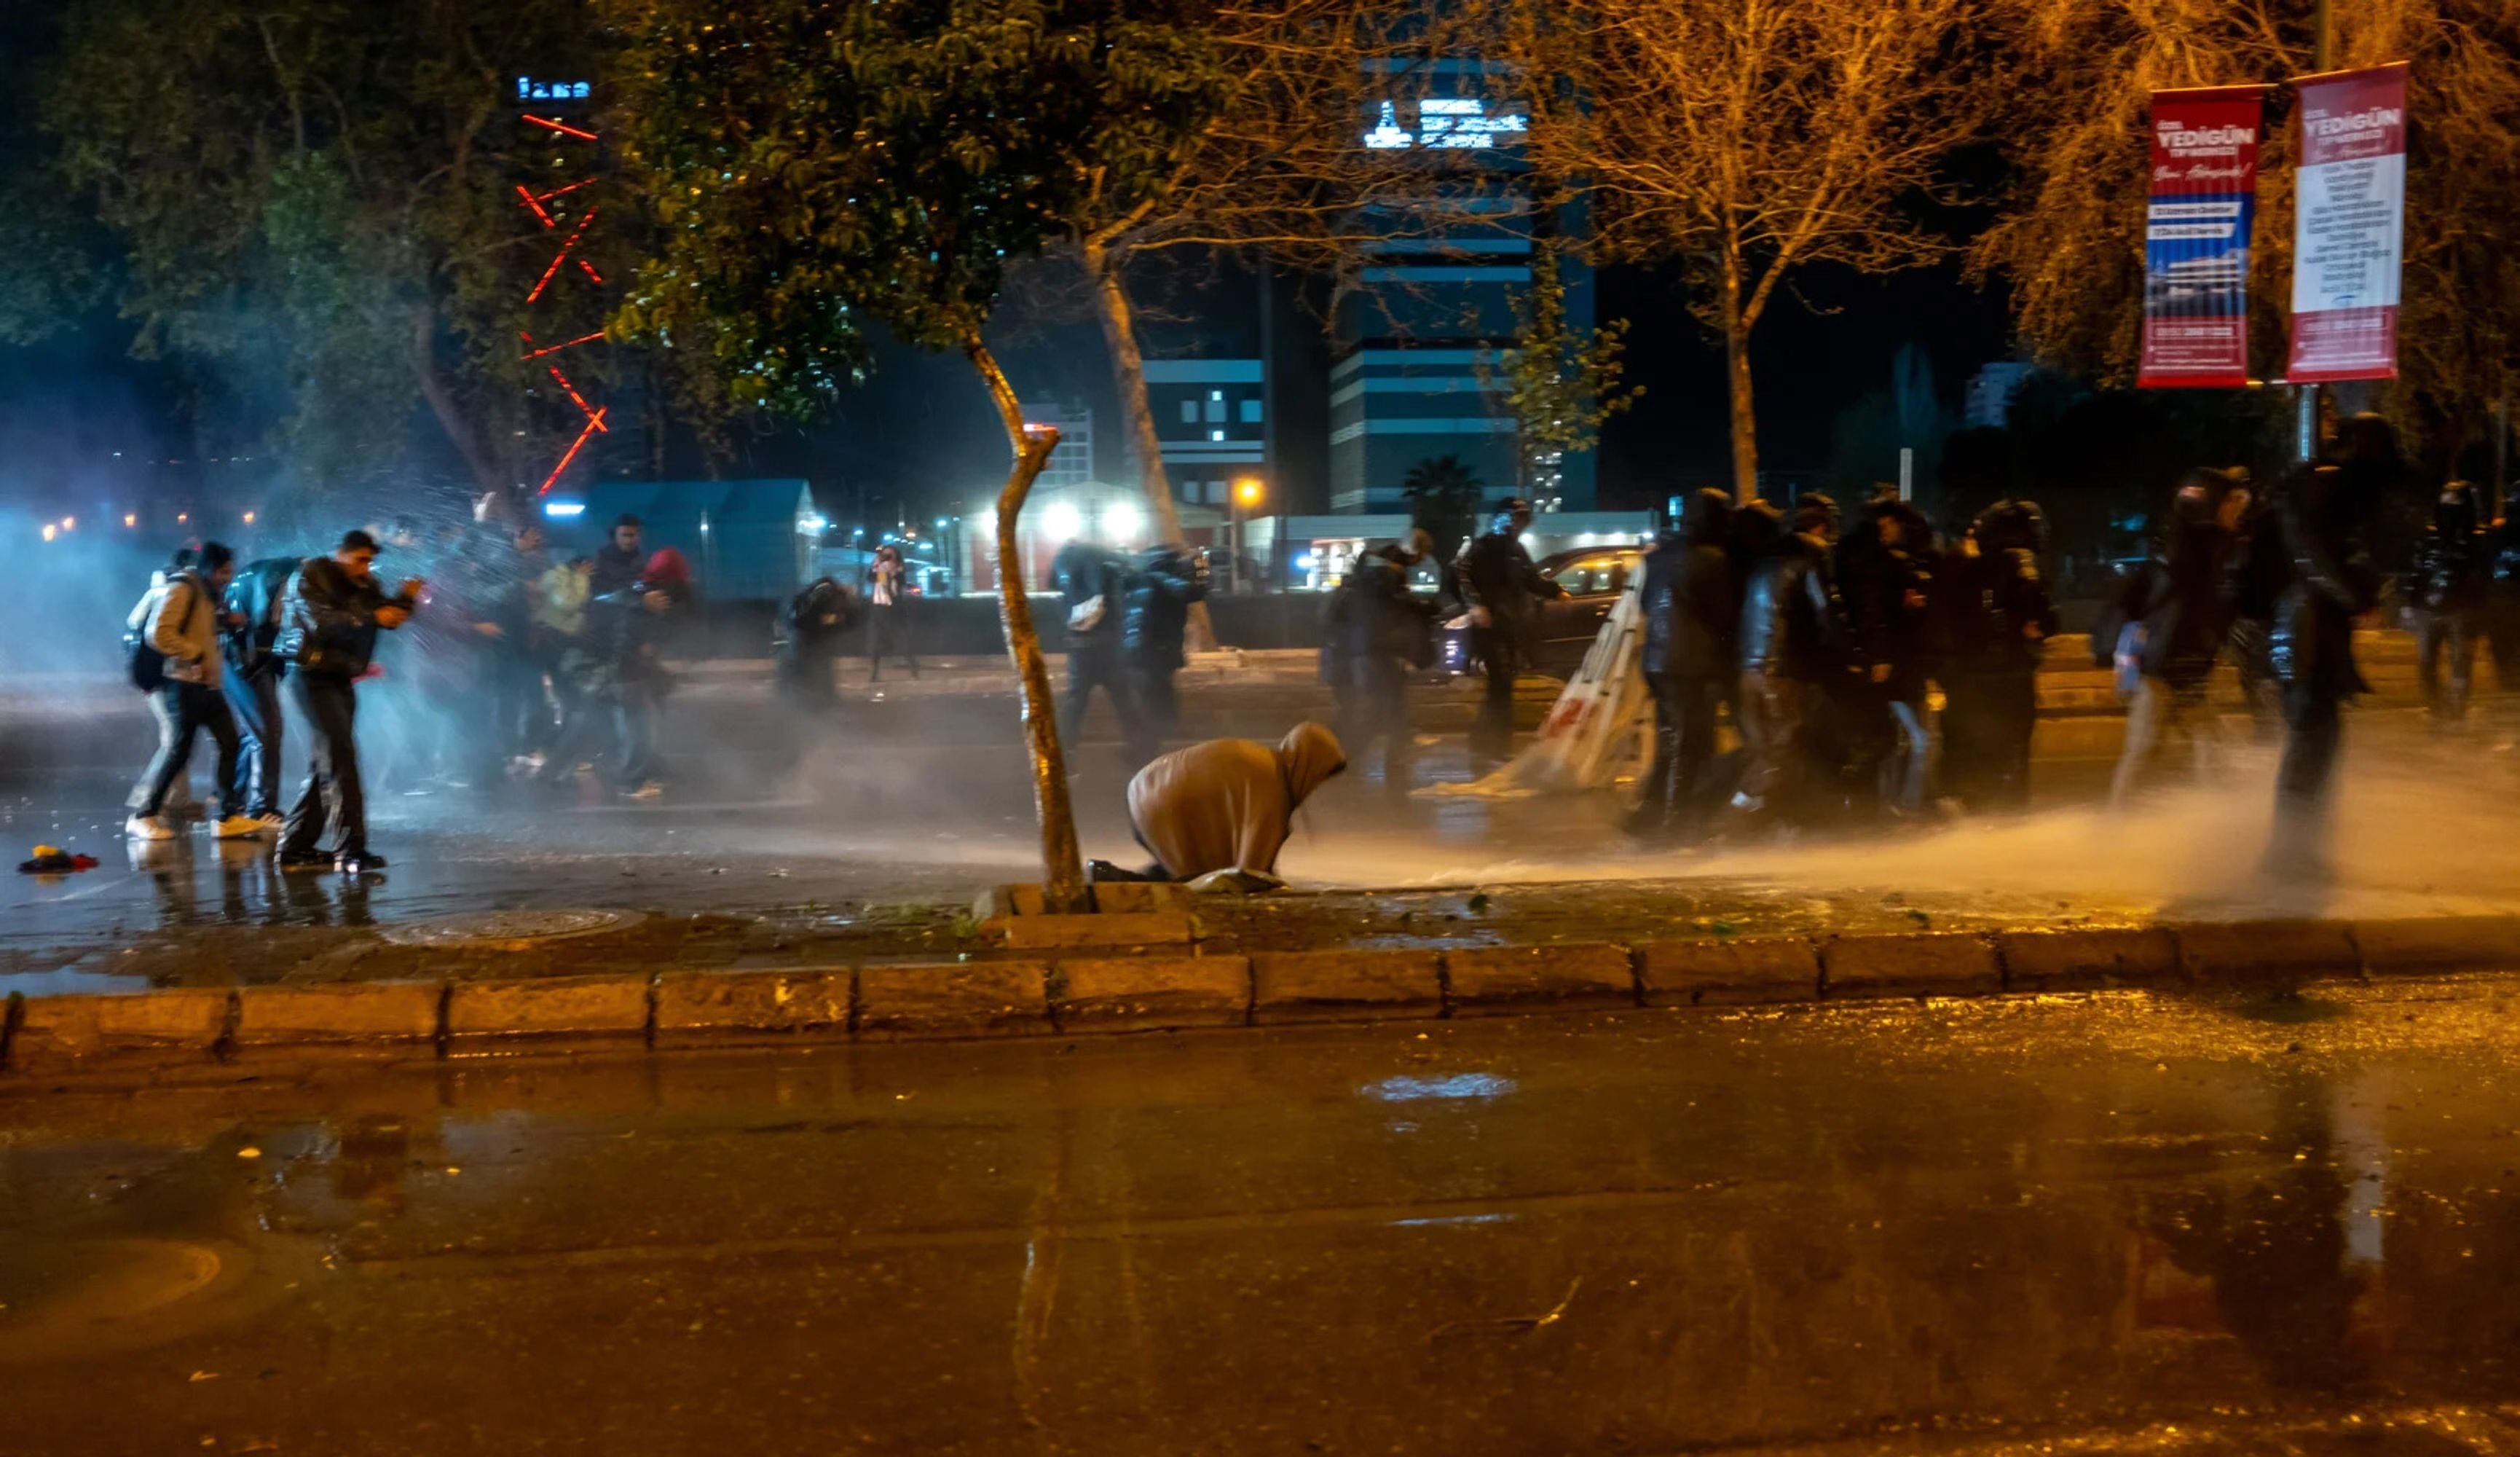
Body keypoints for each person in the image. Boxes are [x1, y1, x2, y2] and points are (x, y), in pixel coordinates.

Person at [2257, 414, 2398, 876]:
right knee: (2311, 740)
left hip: (2313, 627)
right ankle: (2288, 854)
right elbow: (2313, 554)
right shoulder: (2321, 484)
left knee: (2320, 741)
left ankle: (2302, 850)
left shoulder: (2321, 486)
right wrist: (2354, 596)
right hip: (2306, 630)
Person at [275, 530, 420, 873]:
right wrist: (374, 616)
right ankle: (351, 851)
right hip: (309, 677)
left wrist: (405, 600)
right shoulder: (313, 576)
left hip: (340, 677)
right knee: (340, 758)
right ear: (341, 554)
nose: (365, 567)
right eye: (360, 560)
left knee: (326, 763)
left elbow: (387, 619)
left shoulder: (365, 585)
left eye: (370, 561)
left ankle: (295, 847)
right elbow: (321, 621)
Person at [2106, 470, 2247, 806]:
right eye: (2231, 505)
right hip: (2162, 669)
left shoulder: (2209, 552)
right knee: (2144, 749)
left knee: (2208, 748)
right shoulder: (2191, 549)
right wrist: (2217, 487)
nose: (2237, 514)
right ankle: (2115, 827)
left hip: (2188, 669)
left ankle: (2209, 822)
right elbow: (2190, 528)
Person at [127, 542, 258, 842]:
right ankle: (143, 815)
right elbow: (158, 633)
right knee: (179, 752)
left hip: (207, 684)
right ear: (210, 568)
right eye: (224, 571)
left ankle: (228, 816)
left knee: (230, 742)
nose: (228, 577)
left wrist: (224, 623)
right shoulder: (184, 588)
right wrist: (194, 653)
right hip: (184, 683)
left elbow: (199, 625)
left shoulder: (205, 593)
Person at [1938, 500, 2057, 812]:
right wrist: (2038, 623)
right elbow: (2037, 607)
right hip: (2011, 670)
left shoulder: (1968, 565)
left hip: (1972, 672)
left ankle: (1976, 805)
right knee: (2014, 745)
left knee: (1981, 745)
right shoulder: (2021, 560)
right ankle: (2009, 811)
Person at [1631, 490, 1736, 838]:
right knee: (1687, 743)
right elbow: (1724, 617)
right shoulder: (1714, 558)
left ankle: (1650, 814)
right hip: (1690, 663)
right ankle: (1676, 823)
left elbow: (1646, 605)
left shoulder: (1659, 556)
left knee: (1669, 739)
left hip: (1658, 660)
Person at [1733, 498, 1843, 828]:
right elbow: (1826, 615)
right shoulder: (1808, 564)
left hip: (1750, 670)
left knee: (1765, 748)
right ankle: (1737, 814)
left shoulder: (1761, 566)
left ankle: (1772, 816)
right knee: (1782, 747)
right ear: (1819, 532)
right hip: (1781, 671)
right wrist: (1846, 656)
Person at [1125, 722, 1347, 882]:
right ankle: (1116, 880)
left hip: (1146, 797)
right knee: (1195, 885)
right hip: (1156, 805)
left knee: (1197, 876)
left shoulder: (1265, 764)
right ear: (1309, 763)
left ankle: (1119, 880)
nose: (1316, 785)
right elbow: (1251, 874)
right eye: (1319, 775)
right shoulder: (1270, 783)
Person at [1323, 530, 1437, 796]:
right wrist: (1423, 607)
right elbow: (1391, 608)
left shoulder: (1377, 565)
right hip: (1377, 650)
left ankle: (1373, 756)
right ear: (1415, 551)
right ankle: (1378, 759)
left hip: (1364, 648)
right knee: (1386, 709)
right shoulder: (1389, 570)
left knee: (1384, 709)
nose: (1420, 562)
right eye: (1421, 556)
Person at [1452, 497, 1565, 765]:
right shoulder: (1482, 546)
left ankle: (1484, 742)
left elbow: (1531, 579)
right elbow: (1459, 574)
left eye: (1524, 518)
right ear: (1503, 518)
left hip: (1510, 624)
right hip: (1489, 626)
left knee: (1502, 685)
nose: (1521, 523)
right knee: (1501, 682)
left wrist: (1556, 591)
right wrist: (1475, 605)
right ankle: (1494, 745)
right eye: (1516, 517)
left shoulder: (1516, 550)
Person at [220, 554, 302, 829]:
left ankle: (236, 797)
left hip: (250, 663)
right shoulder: (278, 586)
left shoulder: (275, 584)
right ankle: (261, 807)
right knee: (267, 731)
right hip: (246, 664)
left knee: (255, 732)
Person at [1051, 535, 1144, 766]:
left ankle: (1063, 752)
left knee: (1075, 702)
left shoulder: (1063, 562)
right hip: (1108, 646)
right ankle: (1141, 750)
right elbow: (1134, 582)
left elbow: (1057, 590)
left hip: (1079, 646)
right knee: (1124, 700)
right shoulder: (1106, 564)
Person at [2403, 479, 2490, 727]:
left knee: (2456, 664)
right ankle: (2441, 710)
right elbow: (2418, 570)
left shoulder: (2473, 540)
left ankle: (2452, 712)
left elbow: (2481, 576)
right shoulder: (2433, 538)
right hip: (2437, 610)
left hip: (2456, 611)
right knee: (2433, 664)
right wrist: (2411, 602)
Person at [1122, 542, 1209, 754]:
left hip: (1139, 648)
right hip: (1154, 649)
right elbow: (1195, 592)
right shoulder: (1162, 579)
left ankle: (1158, 739)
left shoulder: (1140, 579)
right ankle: (1145, 750)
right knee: (1154, 698)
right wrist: (1200, 564)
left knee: (1156, 694)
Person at [779, 575, 857, 704]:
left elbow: (849, 621)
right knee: (806, 666)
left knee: (820, 667)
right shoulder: (823, 595)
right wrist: (832, 621)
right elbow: (806, 619)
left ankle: (822, 699)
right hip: (806, 636)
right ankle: (804, 698)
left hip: (814, 637)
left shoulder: (827, 596)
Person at [865, 543, 921, 682]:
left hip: (893, 609)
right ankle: (874, 673)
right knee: (875, 642)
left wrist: (887, 571)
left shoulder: (898, 570)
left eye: (890, 555)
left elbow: (896, 583)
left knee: (902, 641)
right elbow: (871, 578)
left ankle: (913, 668)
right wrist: (878, 565)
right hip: (879, 608)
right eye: (886, 555)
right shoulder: (879, 568)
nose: (887, 557)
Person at [589, 514, 645, 597]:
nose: (628, 541)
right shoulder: (600, 561)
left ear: (639, 537)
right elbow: (597, 595)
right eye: (624, 535)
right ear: (615, 536)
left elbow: (643, 588)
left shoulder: (644, 561)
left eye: (632, 535)